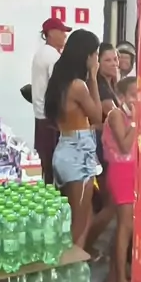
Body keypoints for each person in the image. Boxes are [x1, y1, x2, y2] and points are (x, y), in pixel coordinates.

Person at [44, 29, 102, 246]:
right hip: (79, 153)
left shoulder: (59, 83)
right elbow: (96, 117)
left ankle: (76, 259)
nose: (96, 59)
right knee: (78, 221)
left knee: (78, 216)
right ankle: (70, 262)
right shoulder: (79, 86)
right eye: (95, 54)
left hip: (66, 147)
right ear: (86, 55)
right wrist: (93, 78)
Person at [102, 76, 137, 282]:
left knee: (125, 225)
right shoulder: (116, 115)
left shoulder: (130, 116)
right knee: (125, 226)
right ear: (121, 97)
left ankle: (115, 272)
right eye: (133, 95)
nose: (138, 99)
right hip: (120, 172)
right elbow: (124, 146)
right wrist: (136, 122)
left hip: (132, 171)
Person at [86, 43, 120, 258]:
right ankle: (85, 246)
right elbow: (116, 116)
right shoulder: (101, 87)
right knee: (111, 204)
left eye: (115, 59)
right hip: (103, 148)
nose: (114, 63)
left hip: (106, 147)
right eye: (108, 60)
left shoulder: (109, 85)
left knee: (110, 204)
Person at [32, 17, 71, 183]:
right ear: (51, 33)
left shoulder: (42, 53)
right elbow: (58, 87)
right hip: (50, 117)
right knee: (52, 163)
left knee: (45, 161)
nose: (64, 36)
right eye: (61, 32)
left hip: (42, 114)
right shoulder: (52, 56)